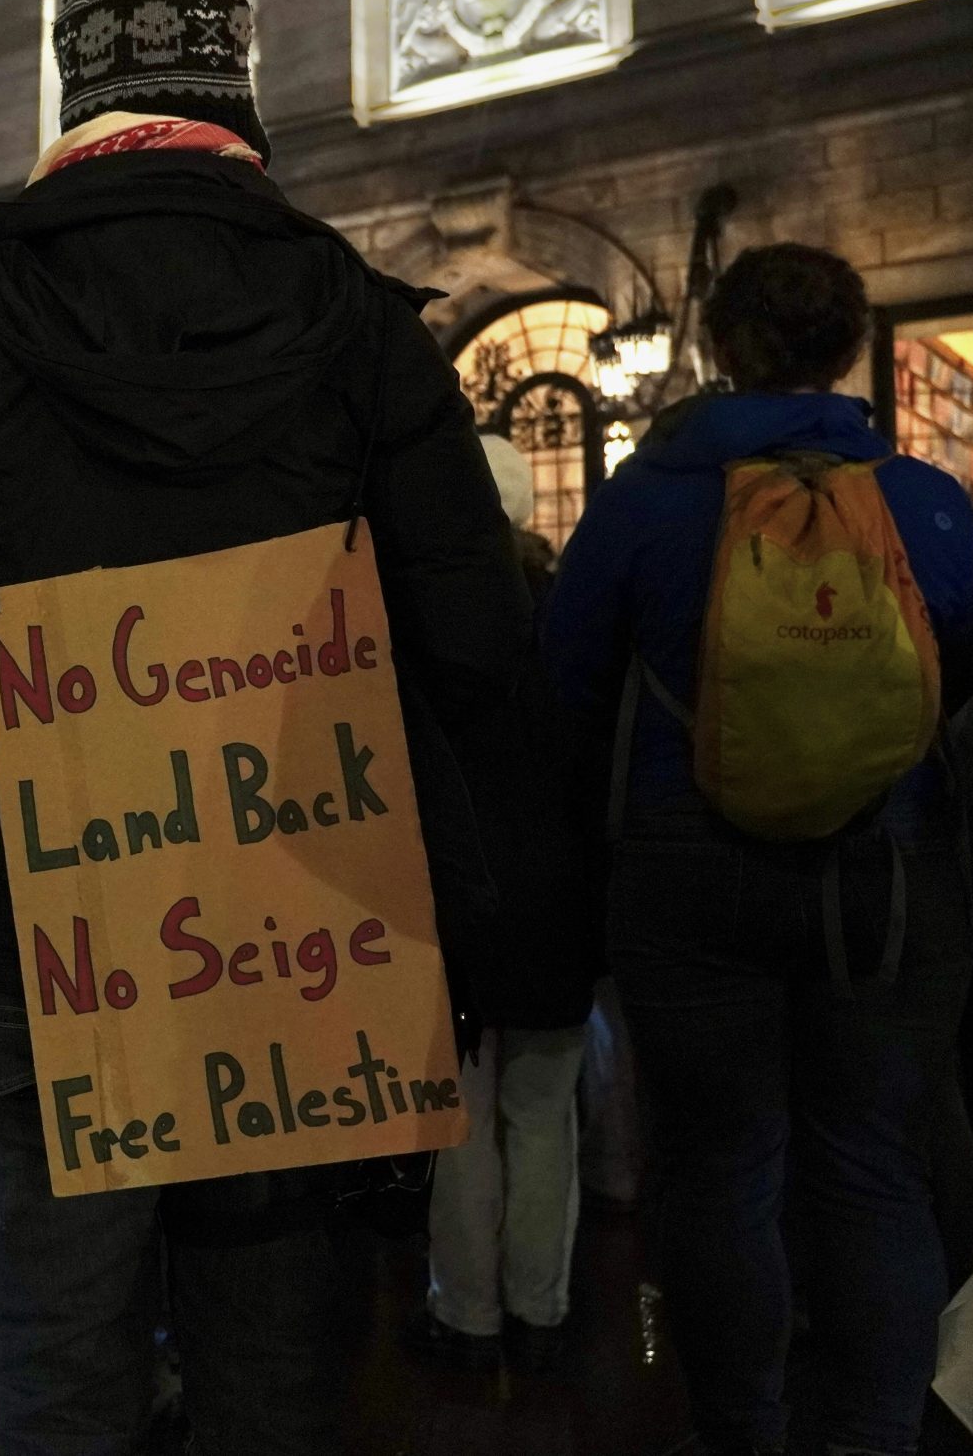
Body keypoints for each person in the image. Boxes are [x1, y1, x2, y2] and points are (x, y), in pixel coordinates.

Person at [0, 0, 532, 1456]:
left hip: (26, 918)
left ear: (79, 103)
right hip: (295, 908)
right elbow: (478, 636)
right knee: (270, 1365)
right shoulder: (358, 321)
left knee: (58, 1358)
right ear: (232, 101)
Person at [544, 243, 973, 1456]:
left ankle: (740, 1427)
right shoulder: (923, 501)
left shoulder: (644, 499)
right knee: (873, 1165)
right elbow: (963, 661)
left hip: (686, 866)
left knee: (719, 1168)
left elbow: (566, 677)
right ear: (848, 350)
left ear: (720, 350)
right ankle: (874, 1434)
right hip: (884, 867)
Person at [411, 436, 599, 1374]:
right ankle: (540, 1303)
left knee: (458, 1120)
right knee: (542, 1113)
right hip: (556, 899)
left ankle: (467, 1307)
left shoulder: (420, 618)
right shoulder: (570, 617)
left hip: (449, 901)